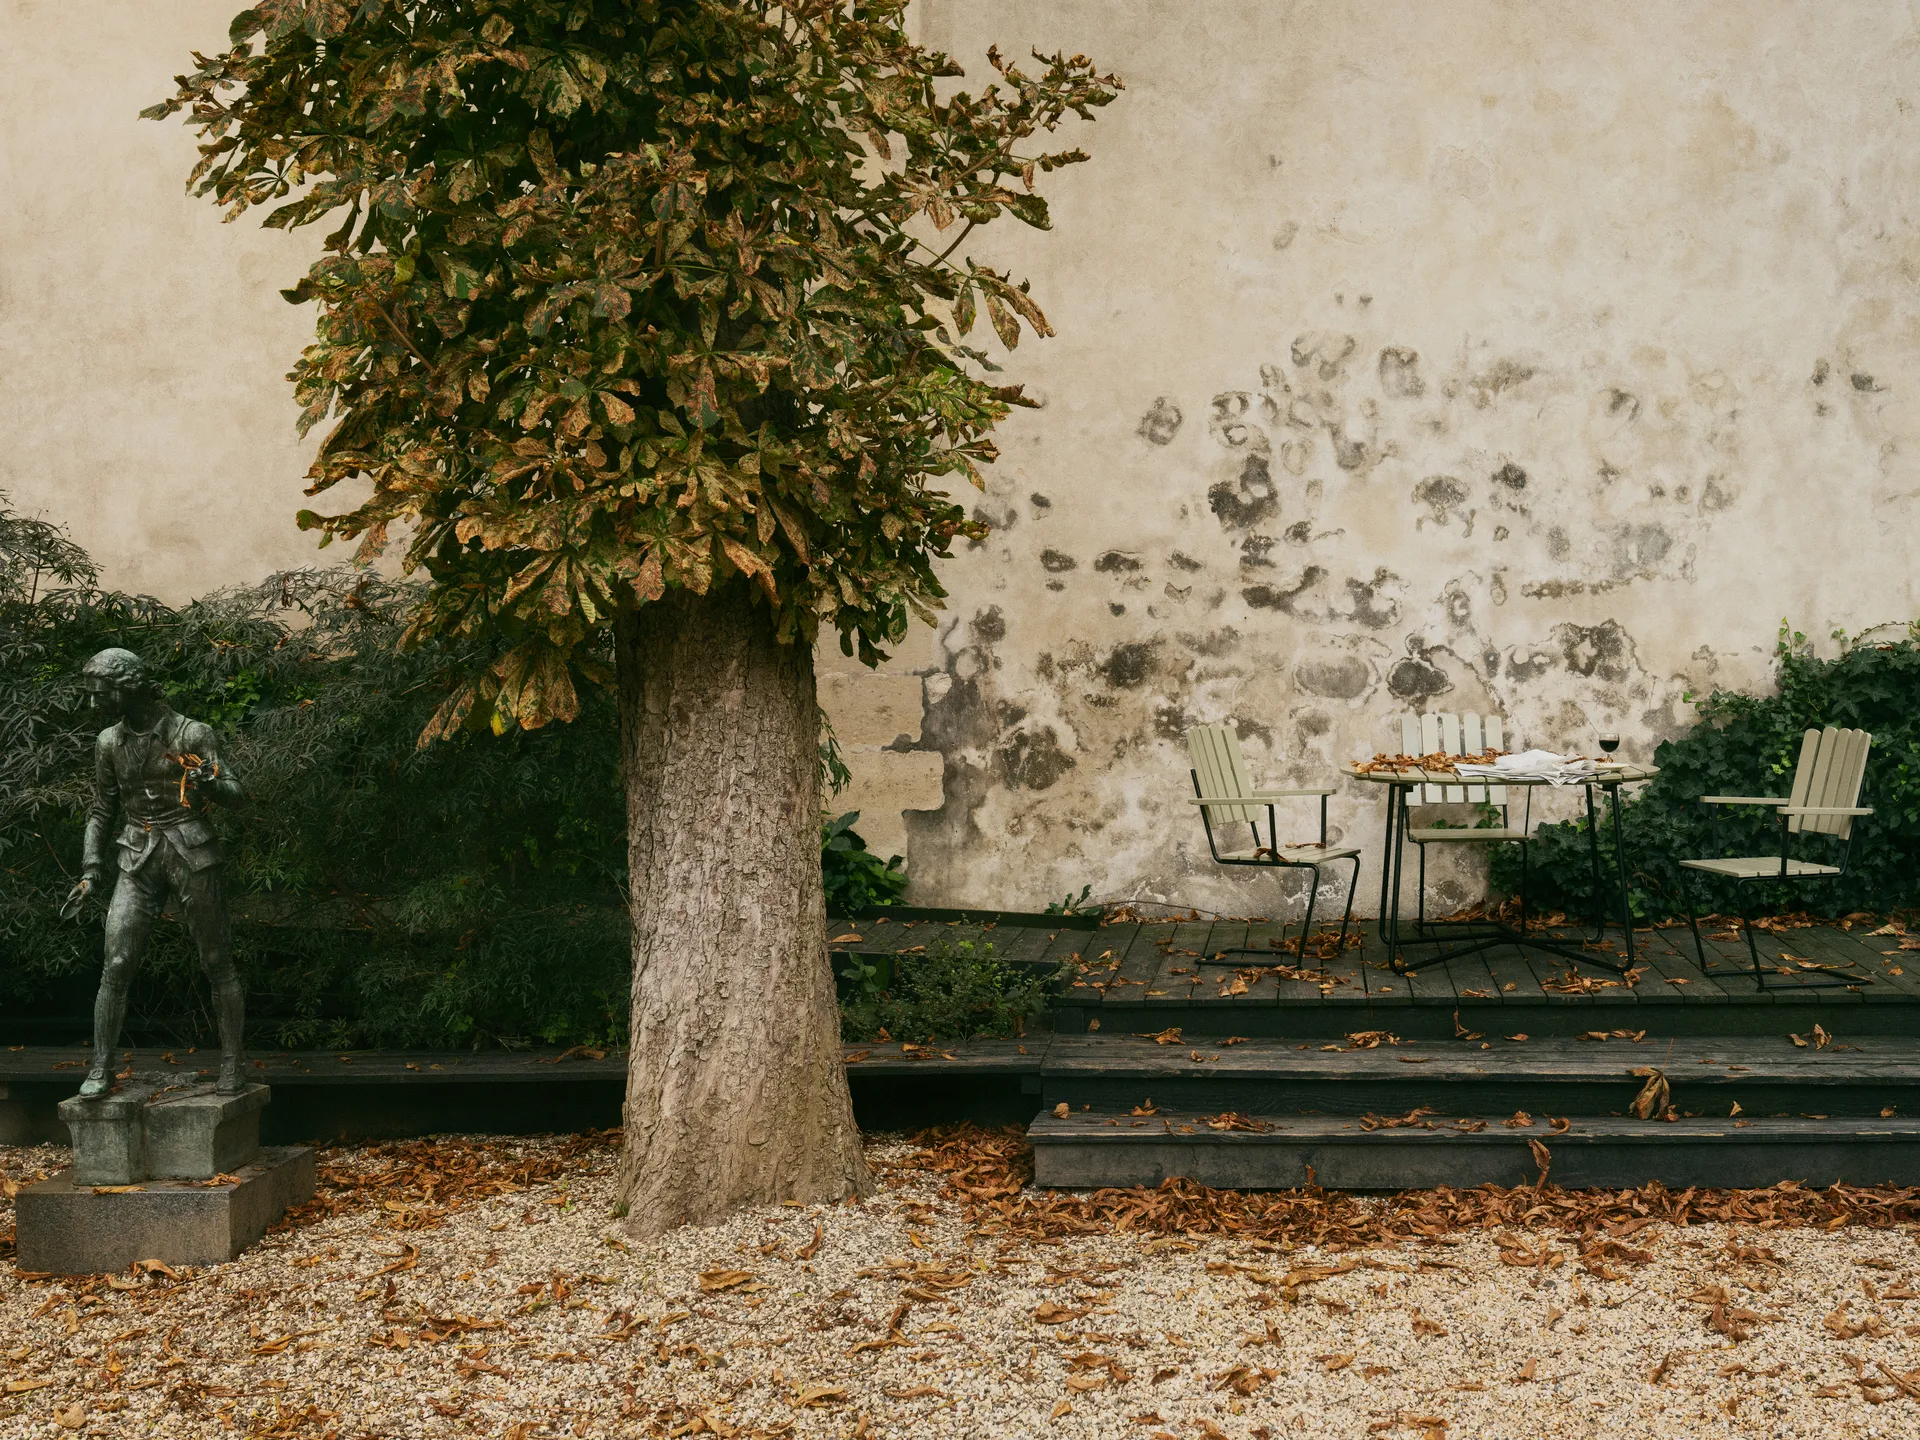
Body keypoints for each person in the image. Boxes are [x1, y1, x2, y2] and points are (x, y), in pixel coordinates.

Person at [64, 647, 247, 1098]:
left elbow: (238, 793)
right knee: (118, 962)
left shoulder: (192, 733)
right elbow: (102, 808)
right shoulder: (108, 742)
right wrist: (90, 868)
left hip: (191, 852)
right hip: (135, 856)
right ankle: (101, 1068)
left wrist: (209, 782)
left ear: (127, 689)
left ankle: (232, 1065)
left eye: (100, 695)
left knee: (216, 961)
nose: (94, 705)